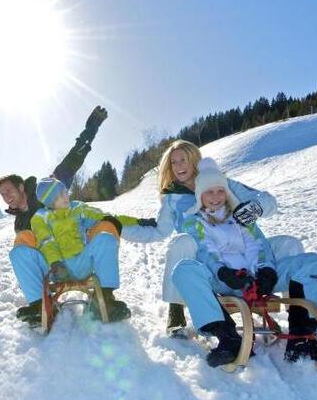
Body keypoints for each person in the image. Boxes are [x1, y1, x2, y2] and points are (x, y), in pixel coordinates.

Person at [171, 158, 317, 367]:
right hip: (224, 281)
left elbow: (259, 245)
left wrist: (267, 271)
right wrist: (224, 273)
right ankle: (228, 340)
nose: (216, 197)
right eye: (209, 192)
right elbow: (206, 252)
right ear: (199, 195)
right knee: (183, 270)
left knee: (311, 263)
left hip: (257, 279)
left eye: (220, 191)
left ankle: (304, 338)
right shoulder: (195, 221)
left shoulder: (240, 216)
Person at [121, 139, 304, 335]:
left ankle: (298, 312)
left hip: (243, 253)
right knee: (182, 242)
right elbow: (158, 231)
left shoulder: (220, 183)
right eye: (173, 162)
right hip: (206, 259)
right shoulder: (172, 198)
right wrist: (120, 229)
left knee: (290, 245)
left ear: (194, 161)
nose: (178, 166)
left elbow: (267, 201)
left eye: (183, 160)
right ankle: (176, 308)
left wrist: (255, 208)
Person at [0, 107, 108, 323]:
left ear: (21, 187)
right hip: (52, 264)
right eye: (2, 194)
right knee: (19, 251)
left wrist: (91, 129)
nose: (6, 196)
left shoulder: (46, 193)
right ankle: (39, 306)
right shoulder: (19, 222)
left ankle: (105, 297)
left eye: (8, 190)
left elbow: (71, 162)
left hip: (74, 252)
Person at [20, 177, 139, 323]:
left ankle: (105, 301)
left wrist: (138, 222)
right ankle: (38, 306)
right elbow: (46, 241)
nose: (66, 196)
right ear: (50, 202)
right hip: (55, 270)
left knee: (105, 238)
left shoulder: (78, 208)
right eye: (60, 195)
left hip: (81, 264)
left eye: (65, 192)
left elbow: (103, 217)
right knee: (19, 253)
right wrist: (55, 263)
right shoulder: (40, 217)